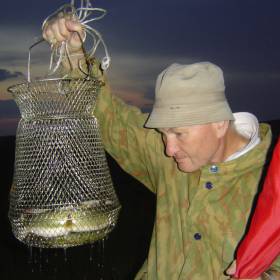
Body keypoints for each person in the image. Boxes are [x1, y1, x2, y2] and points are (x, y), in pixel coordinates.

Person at [42, 15, 280, 280]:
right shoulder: (172, 156)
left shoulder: (271, 181)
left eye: (179, 133)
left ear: (220, 123)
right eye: (163, 133)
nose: (168, 149)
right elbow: (110, 118)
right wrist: (74, 54)